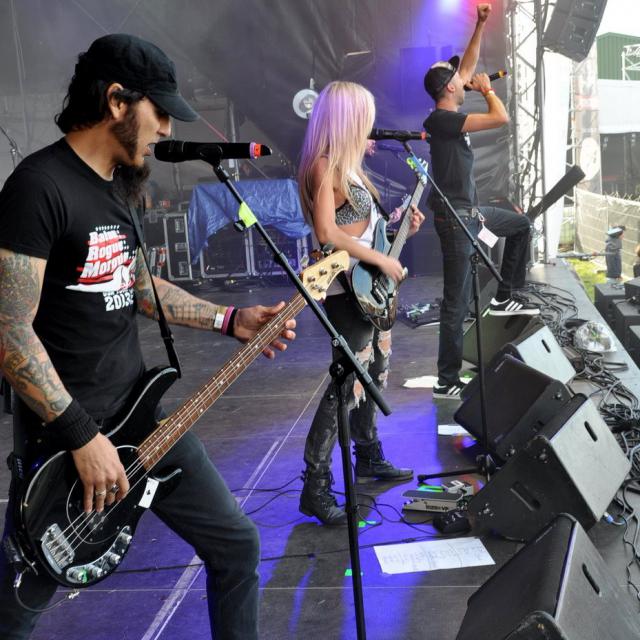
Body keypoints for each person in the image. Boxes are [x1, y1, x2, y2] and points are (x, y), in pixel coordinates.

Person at [0, 34, 295, 640]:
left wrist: (229, 320)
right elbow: (9, 330)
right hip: (66, 439)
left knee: (236, 545)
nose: (165, 128)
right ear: (116, 101)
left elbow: (136, 283)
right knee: (18, 606)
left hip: (140, 419)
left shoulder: (118, 186)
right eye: (158, 111)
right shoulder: (38, 187)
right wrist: (82, 436)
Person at [297, 81, 425, 525]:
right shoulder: (323, 165)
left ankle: (368, 454)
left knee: (374, 372)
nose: (370, 125)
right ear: (347, 119)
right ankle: (315, 485)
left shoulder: (351, 168)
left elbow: (364, 234)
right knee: (346, 385)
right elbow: (328, 233)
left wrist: (398, 228)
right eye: (364, 117)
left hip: (368, 287)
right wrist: (380, 259)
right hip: (344, 290)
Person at [422, 3, 539, 401]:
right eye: (458, 78)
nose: (465, 78)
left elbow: (467, 65)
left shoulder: (450, 109)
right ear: (449, 89)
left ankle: (505, 295)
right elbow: (501, 117)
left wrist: (480, 23)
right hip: (456, 220)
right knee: (455, 302)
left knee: (521, 226)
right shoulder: (442, 120)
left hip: (471, 214)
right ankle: (446, 379)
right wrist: (488, 90)